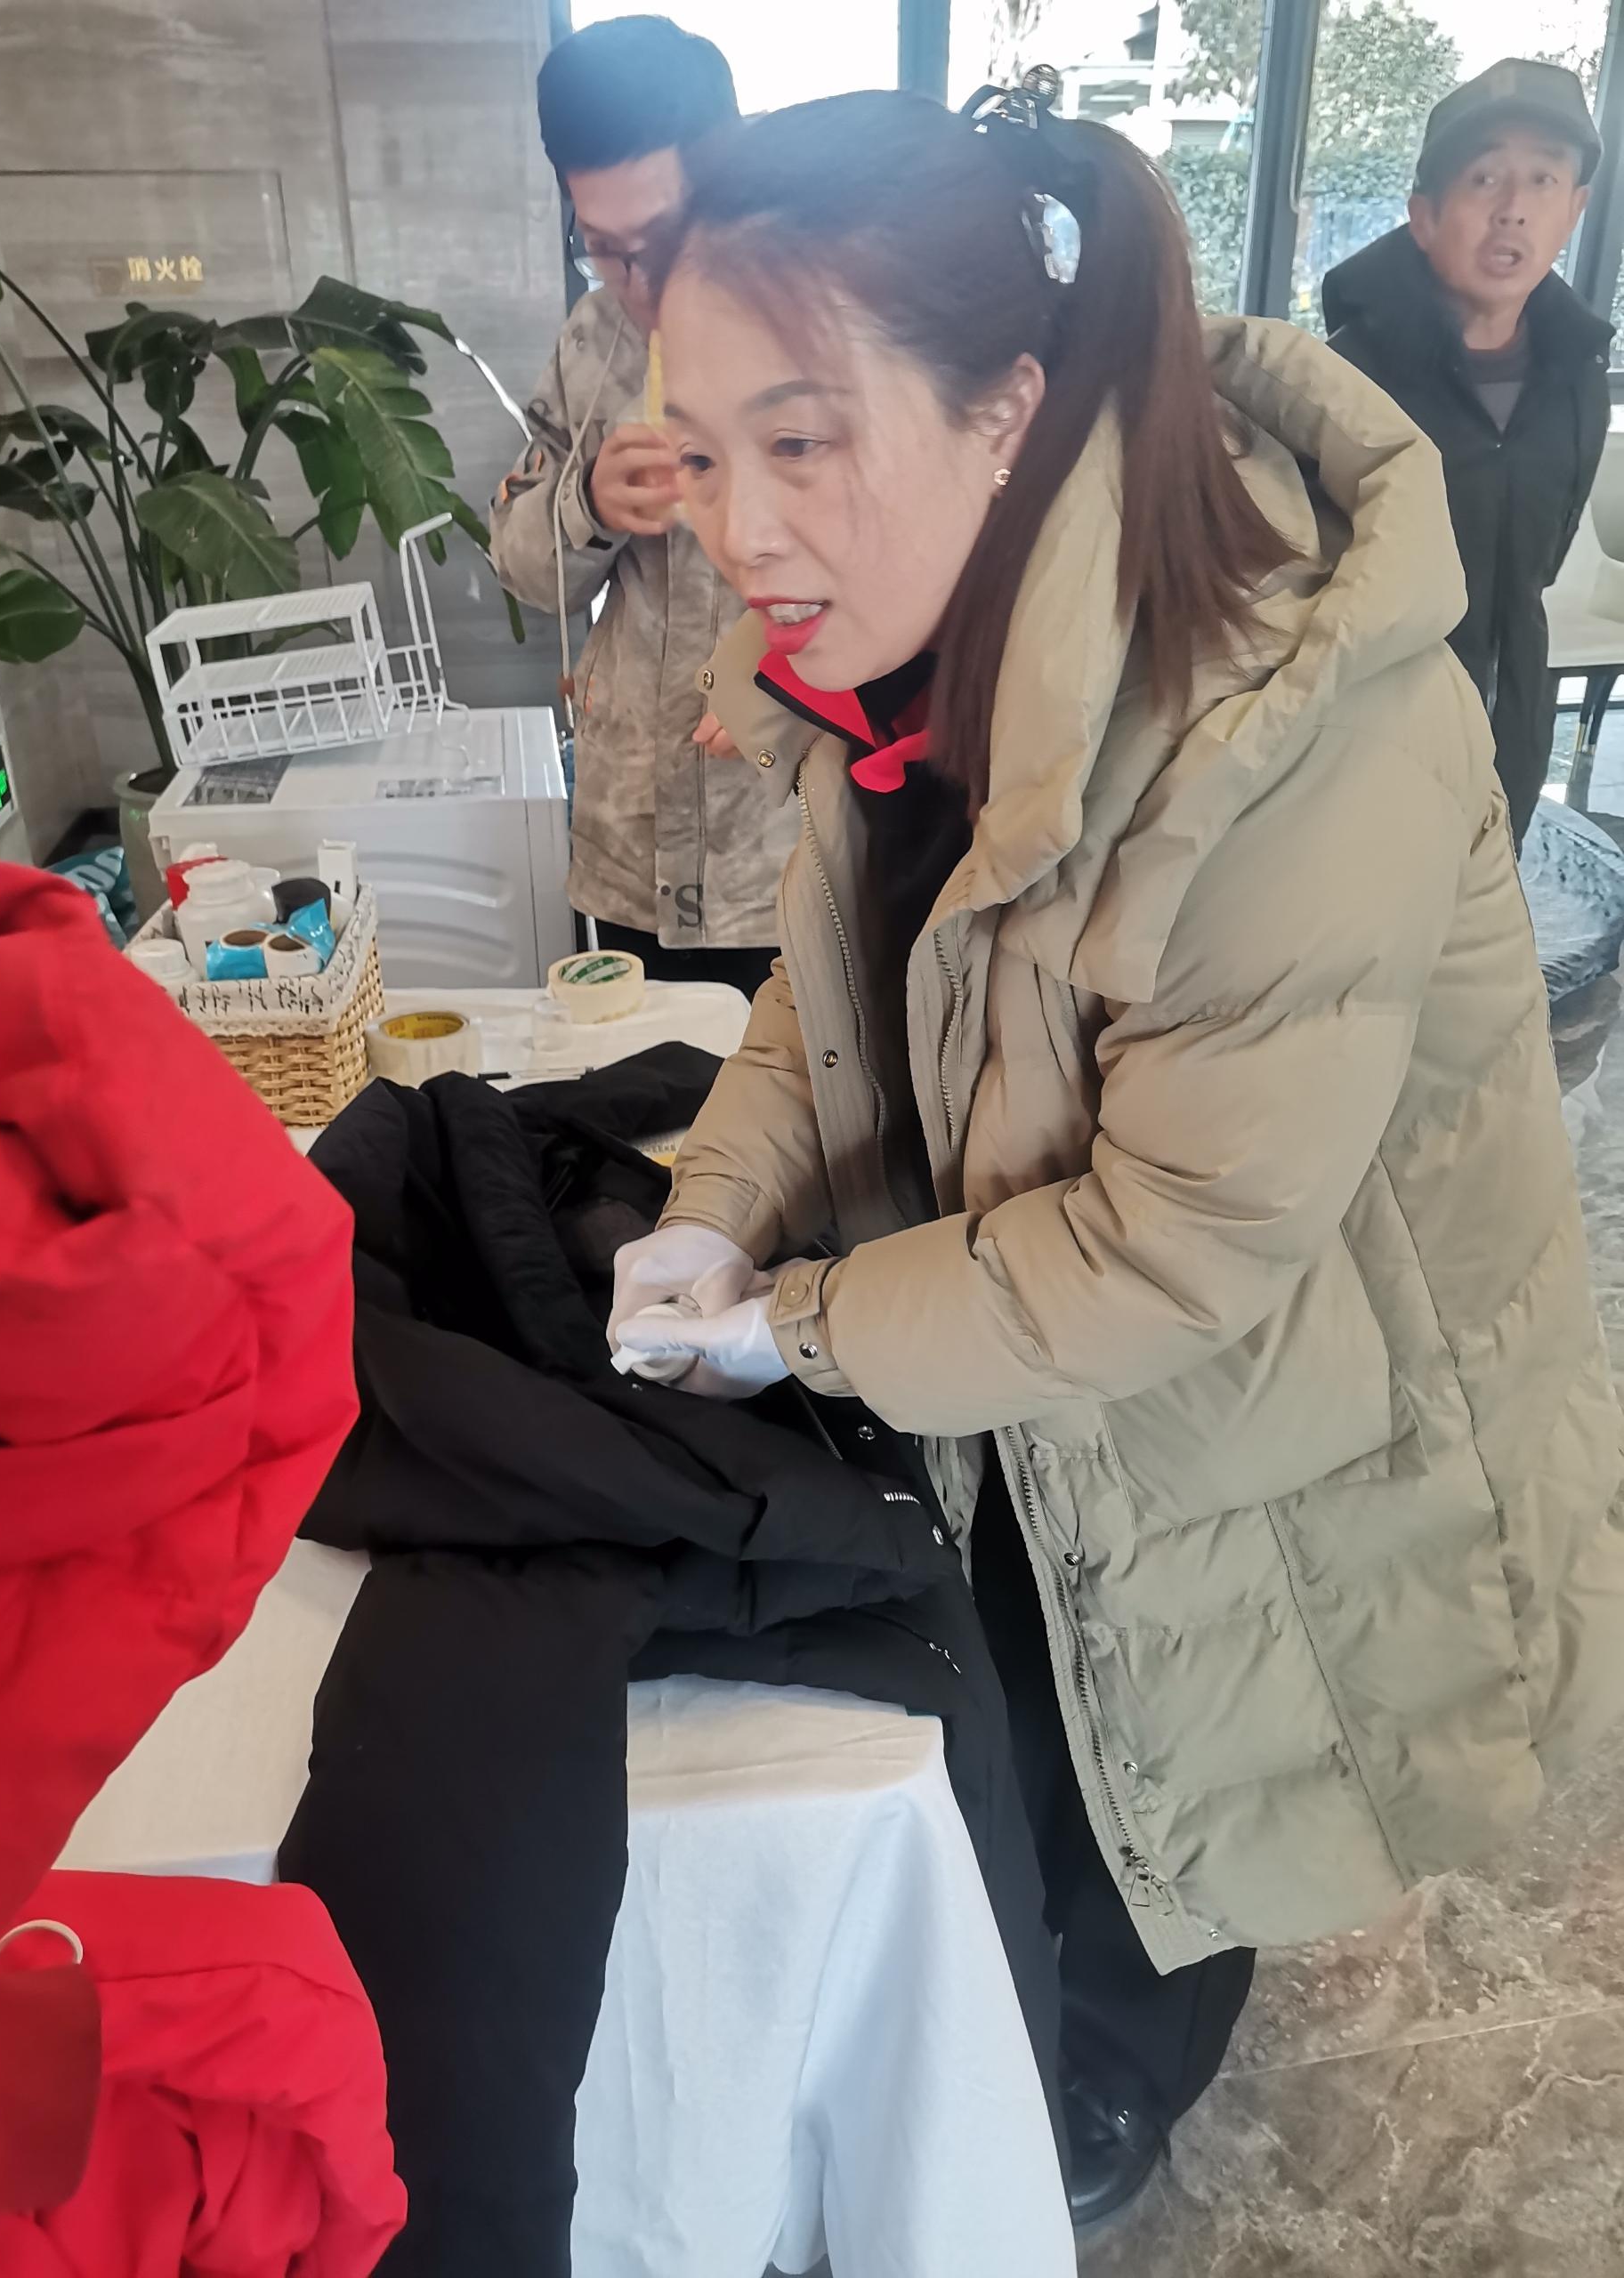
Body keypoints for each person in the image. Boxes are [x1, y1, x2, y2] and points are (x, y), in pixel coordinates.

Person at [606, 88, 1624, 2232]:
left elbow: (1177, 1245)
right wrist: (714, 1205)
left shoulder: (1286, 718)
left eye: (803, 439)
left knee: (1187, 1726)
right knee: (1040, 1661)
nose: (740, 526)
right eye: (700, 452)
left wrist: (798, 1322)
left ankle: (1121, 2063)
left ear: (1005, 410)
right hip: (1032, 1333)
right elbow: (828, 991)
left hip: (1274, 1384)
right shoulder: (900, 651)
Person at [489, 13, 792, 992]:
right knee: (638, 1087)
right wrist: (586, 504)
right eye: (606, 249)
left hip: (785, 850)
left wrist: (808, 665)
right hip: (631, 843)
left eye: (663, 243)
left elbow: (930, 565)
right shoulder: (593, 341)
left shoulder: (826, 325)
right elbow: (523, 566)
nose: (642, 285)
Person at [1323, 59, 1612, 847]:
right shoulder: (1343, 381)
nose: (1514, 209)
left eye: (1544, 180)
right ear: (1424, 216)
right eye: (1485, 179)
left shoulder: (1578, 380)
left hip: (1512, 727)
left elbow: (1540, 565)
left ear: (1576, 209)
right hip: (1362, 738)